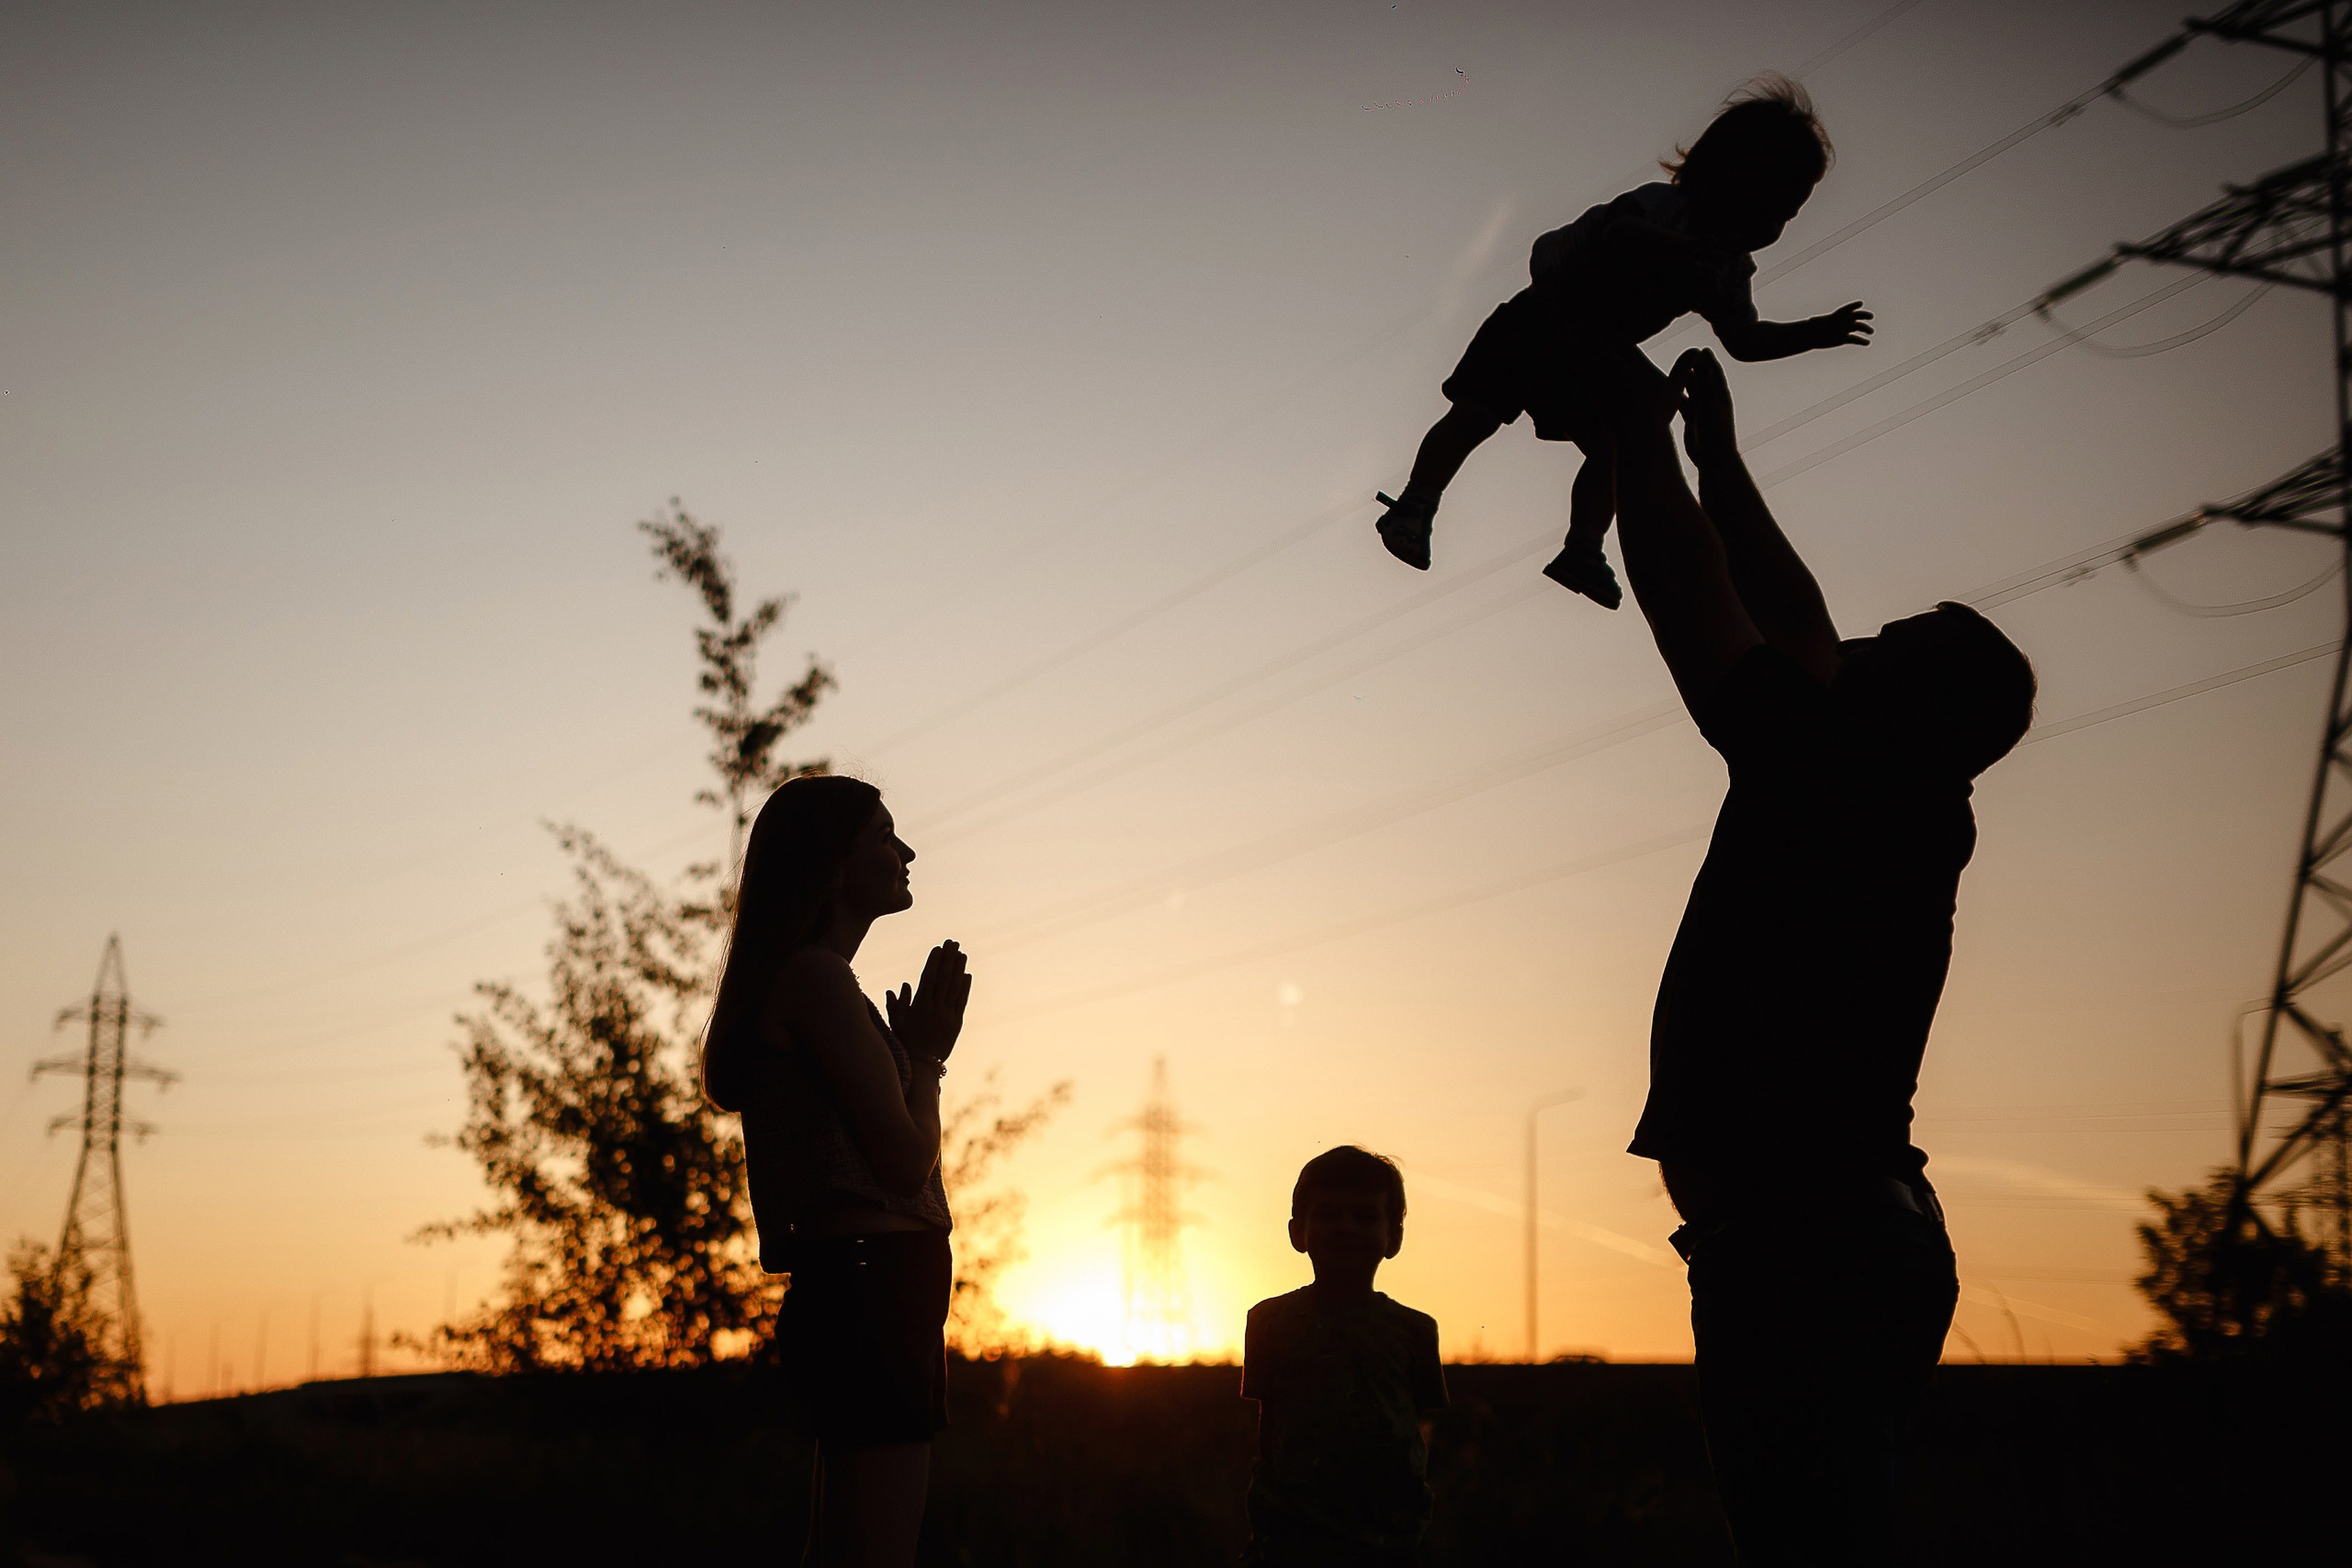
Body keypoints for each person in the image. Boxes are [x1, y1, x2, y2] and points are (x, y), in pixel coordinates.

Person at [1607, 345, 2035, 1565]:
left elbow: (1697, 595)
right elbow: (1792, 616)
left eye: (1884, 639)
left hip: (1806, 1251)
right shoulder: (1903, 788)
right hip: (1852, 1238)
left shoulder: (1830, 763)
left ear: (1907, 694)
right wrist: (1722, 463)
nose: (1853, 636)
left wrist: (1639, 434)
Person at [1374, 75, 1871, 607]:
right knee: (1477, 412)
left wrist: (1813, 334)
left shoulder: (1729, 270)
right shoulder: (1664, 209)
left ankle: (1583, 547)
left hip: (1595, 350)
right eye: (1768, 207)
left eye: (1787, 217)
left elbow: (1744, 340)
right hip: (1544, 317)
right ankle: (1416, 501)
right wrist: (1685, 251)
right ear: (1724, 178)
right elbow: (1620, 236)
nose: (1773, 227)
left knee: (1625, 437)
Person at [702, 774, 973, 1568]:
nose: (906, 851)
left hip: (864, 1285)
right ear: (832, 862)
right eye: (885, 837)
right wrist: (924, 1057)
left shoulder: (814, 981)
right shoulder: (817, 979)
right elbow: (901, 1159)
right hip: (872, 1284)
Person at [1239, 1146, 1448, 1568]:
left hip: (1389, 1541)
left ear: (1394, 1237)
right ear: (1298, 1232)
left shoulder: (1415, 1331)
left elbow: (1424, 1432)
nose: (1346, 1228)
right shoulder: (1269, 1322)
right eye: (1329, 1215)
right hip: (1292, 1542)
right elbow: (1267, 1432)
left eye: (1366, 1216)